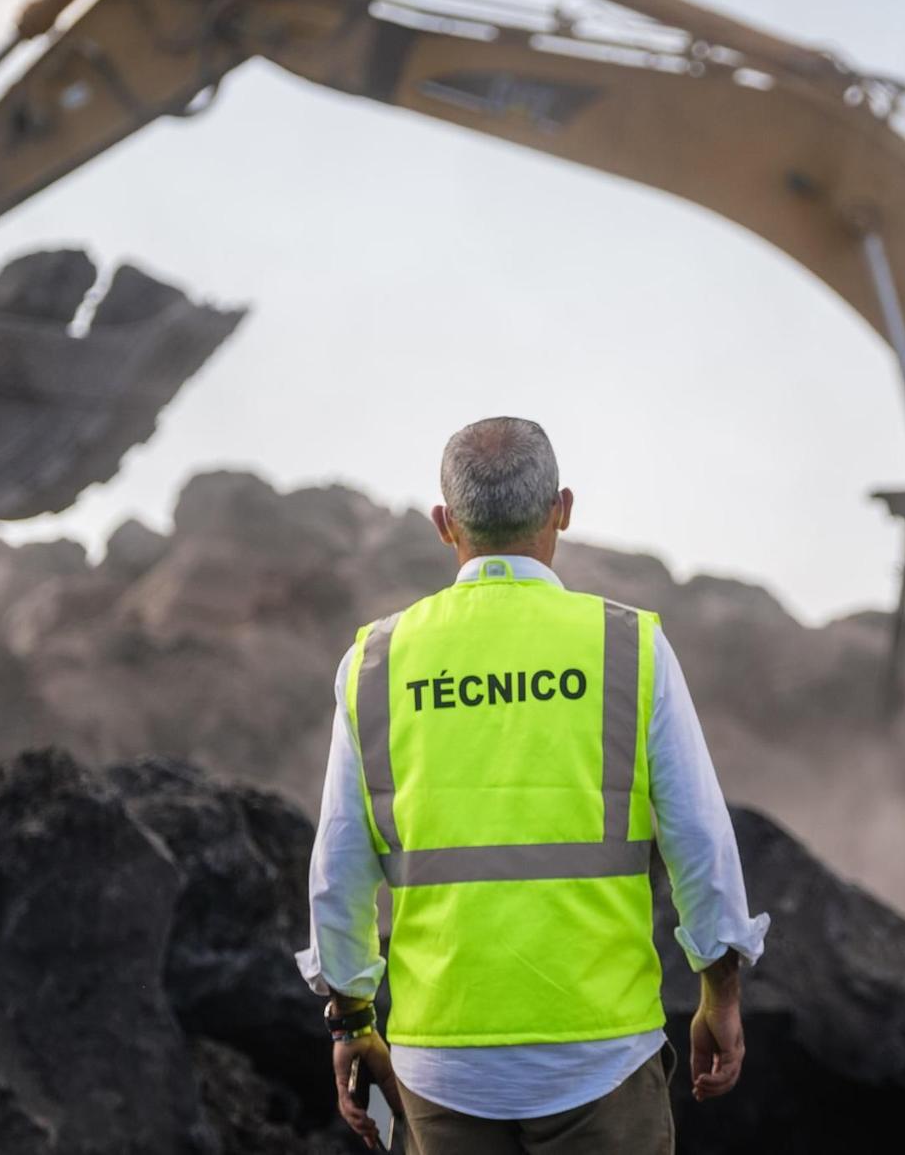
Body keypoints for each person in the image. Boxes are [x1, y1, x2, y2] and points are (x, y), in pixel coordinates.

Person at [297, 416, 769, 1153]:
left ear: (444, 523)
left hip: (442, 1062)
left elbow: (338, 871)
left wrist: (353, 1023)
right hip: (602, 1054)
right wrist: (720, 994)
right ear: (563, 510)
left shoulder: (376, 662)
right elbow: (700, 841)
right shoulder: (628, 646)